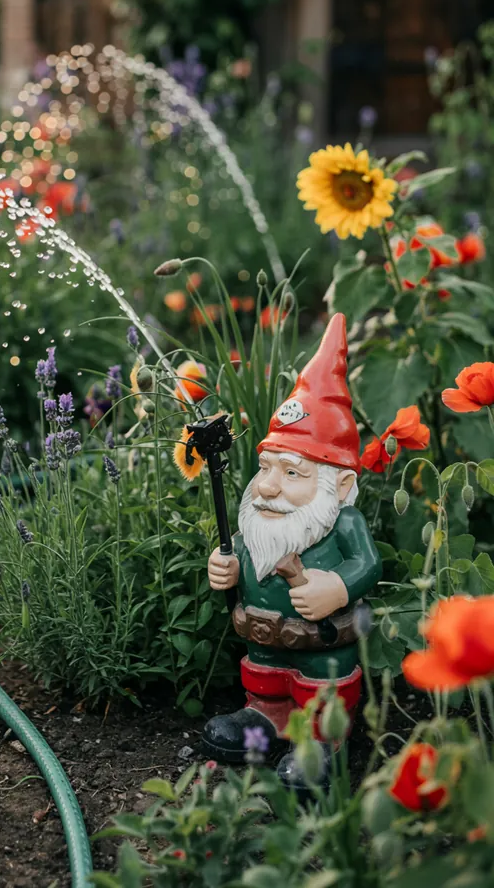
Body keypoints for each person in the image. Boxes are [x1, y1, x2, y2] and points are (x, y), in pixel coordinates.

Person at [202, 313, 382, 786]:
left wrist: (339, 585)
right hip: (263, 637)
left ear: (339, 483)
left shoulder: (343, 521)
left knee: (320, 688)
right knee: (266, 673)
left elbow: (368, 563)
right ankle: (264, 717)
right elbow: (244, 550)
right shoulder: (260, 523)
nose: (267, 487)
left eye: (292, 473)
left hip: (322, 645)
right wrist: (226, 565)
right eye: (266, 467)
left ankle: (323, 741)